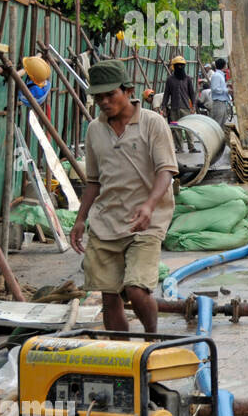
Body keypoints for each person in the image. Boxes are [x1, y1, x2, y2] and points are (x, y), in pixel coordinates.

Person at [69, 60, 177, 333]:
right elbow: (93, 181)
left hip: (146, 221)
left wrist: (150, 205)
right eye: (98, 97)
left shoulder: (152, 123)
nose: (104, 102)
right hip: (108, 221)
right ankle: (122, 360)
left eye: (110, 95)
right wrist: (80, 219)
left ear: (128, 91)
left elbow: (166, 170)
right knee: (109, 294)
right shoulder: (95, 129)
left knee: (136, 289)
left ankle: (152, 339)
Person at [160, 55, 195, 153]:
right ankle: (180, 148)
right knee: (176, 128)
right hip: (174, 110)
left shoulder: (188, 79)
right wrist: (164, 107)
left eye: (182, 65)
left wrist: (193, 107)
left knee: (188, 128)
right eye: (178, 65)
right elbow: (166, 94)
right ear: (174, 67)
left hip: (186, 109)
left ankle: (191, 147)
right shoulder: (170, 80)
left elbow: (192, 94)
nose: (180, 67)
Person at [208, 57, 231, 127]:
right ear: (224, 65)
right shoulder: (217, 75)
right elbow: (215, 89)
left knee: (222, 123)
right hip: (218, 102)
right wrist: (227, 90)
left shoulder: (220, 75)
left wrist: (226, 85)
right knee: (217, 123)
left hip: (223, 102)